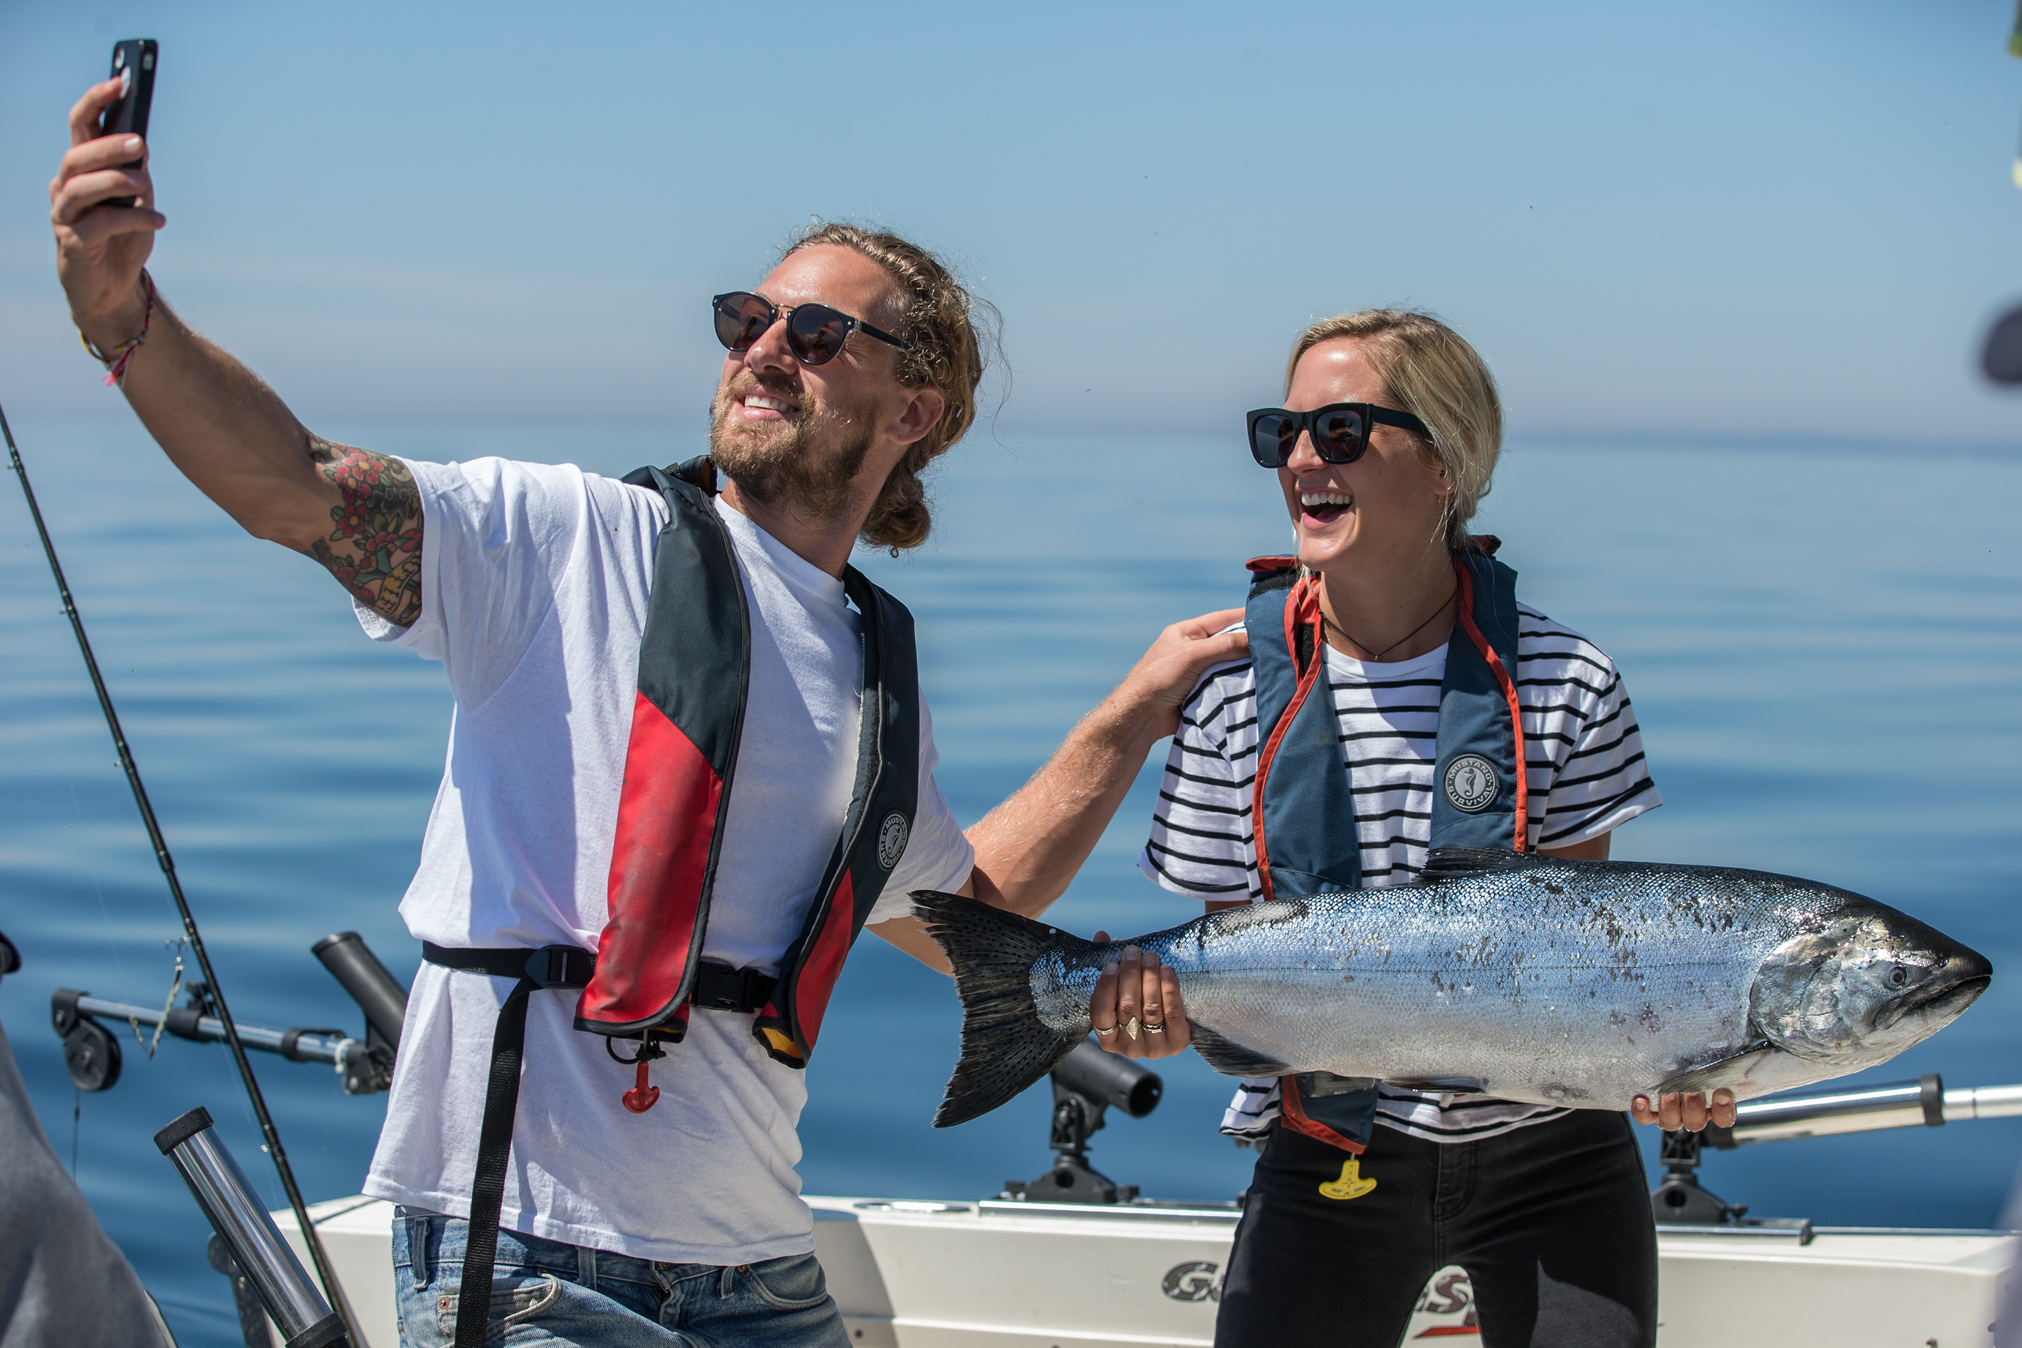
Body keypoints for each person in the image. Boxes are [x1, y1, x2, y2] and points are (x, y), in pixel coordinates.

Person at [48, 75, 1239, 1347]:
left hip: (762, 1268)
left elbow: (969, 920)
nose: (765, 347)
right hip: (528, 1254)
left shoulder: (871, 666)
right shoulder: (562, 541)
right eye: (748, 317)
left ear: (914, 412)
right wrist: (124, 318)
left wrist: (1128, 717)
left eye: (820, 334)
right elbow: (292, 488)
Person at [1078, 311, 1737, 1347]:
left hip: (1559, 1159)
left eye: (1339, 430)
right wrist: (1170, 1014)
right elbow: (1242, 970)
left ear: (1447, 463)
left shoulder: (1568, 681)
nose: (1300, 457)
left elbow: (1584, 962)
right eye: (1280, 431)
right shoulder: (1222, 698)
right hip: (1320, 1146)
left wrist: (1670, 1071)